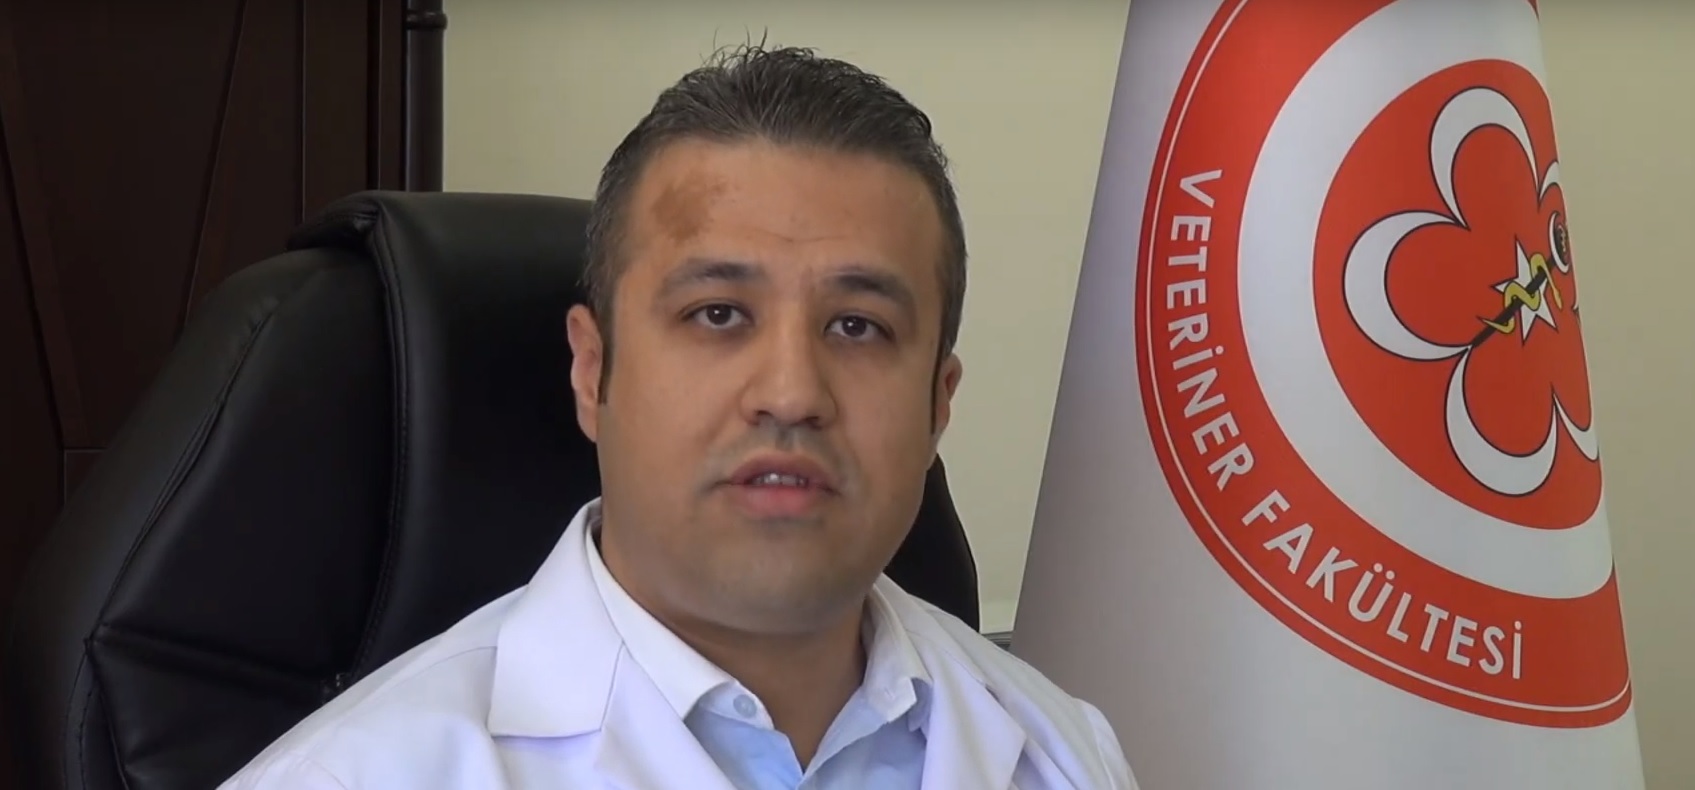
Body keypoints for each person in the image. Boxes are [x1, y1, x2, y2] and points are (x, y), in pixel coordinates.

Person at [218, 43, 1137, 790]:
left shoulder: (1063, 751)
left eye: (857, 326)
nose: (791, 393)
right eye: (718, 314)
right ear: (592, 372)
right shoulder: (354, 775)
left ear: (938, 405)